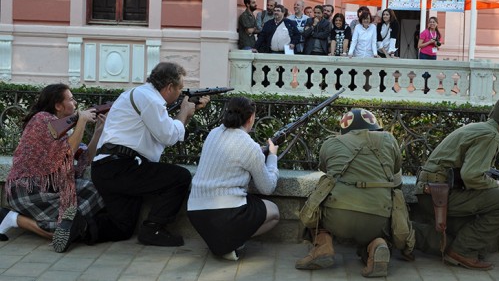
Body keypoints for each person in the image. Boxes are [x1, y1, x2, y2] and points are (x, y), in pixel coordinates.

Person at [91, 62, 210, 248]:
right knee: (180, 177)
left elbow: (166, 134)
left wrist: (187, 114)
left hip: (107, 169)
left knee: (121, 228)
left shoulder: (140, 94)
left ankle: (75, 227)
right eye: (180, 88)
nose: (180, 93)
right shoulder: (150, 100)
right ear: (169, 87)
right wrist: (184, 111)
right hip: (122, 167)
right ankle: (153, 228)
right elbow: (170, 136)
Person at [414, 94, 499, 271]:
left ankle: (403, 234)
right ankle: (461, 251)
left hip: (433, 191)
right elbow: (471, 176)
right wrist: (497, 186)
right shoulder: (491, 136)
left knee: (479, 244)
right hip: (439, 195)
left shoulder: (480, 128)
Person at [0, 83, 112, 252]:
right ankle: (14, 219)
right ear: (58, 105)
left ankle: (65, 226)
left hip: (49, 188)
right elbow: (68, 152)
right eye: (71, 99)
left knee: (92, 190)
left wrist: (98, 131)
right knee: (69, 227)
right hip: (27, 189)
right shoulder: (41, 119)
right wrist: (81, 121)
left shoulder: (62, 128)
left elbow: (84, 158)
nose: (75, 104)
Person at [295, 109, 403, 278]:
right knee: (377, 231)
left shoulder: (330, 143)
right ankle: (377, 245)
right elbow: (397, 180)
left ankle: (323, 246)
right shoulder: (389, 139)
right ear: (373, 126)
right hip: (378, 218)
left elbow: (326, 170)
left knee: (319, 198)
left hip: (336, 217)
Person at [187, 97, 280, 261]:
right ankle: (231, 243)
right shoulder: (249, 146)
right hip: (227, 213)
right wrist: (272, 156)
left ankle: (223, 242)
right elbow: (267, 187)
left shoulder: (214, 133)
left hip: (195, 211)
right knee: (274, 212)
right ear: (251, 118)